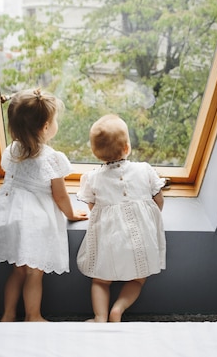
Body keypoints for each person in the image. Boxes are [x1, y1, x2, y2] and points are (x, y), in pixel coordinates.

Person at [0, 88, 88, 322]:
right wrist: (71, 214)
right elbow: (60, 196)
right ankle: (33, 316)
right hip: (33, 220)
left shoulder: (13, 150)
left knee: (17, 270)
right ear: (46, 126)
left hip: (8, 214)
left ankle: (7, 315)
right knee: (34, 273)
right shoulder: (51, 158)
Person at [76, 114, 166, 322]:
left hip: (109, 239)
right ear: (127, 148)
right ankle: (118, 309)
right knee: (139, 279)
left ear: (96, 153)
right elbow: (158, 200)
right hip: (141, 238)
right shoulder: (145, 170)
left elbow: (93, 207)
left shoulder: (92, 178)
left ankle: (100, 317)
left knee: (100, 281)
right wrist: (150, 221)